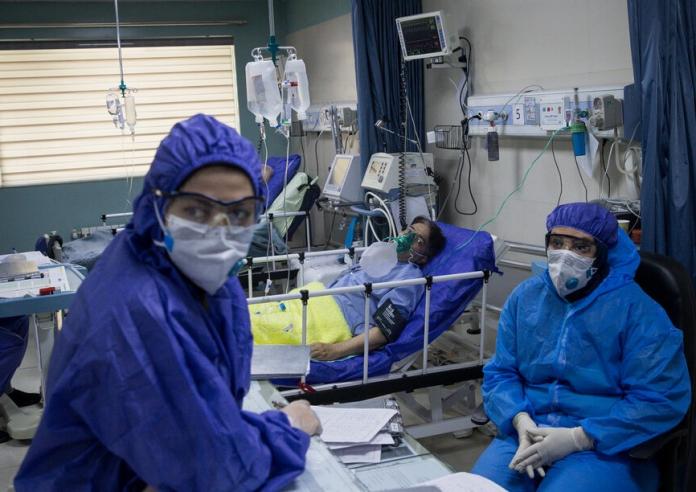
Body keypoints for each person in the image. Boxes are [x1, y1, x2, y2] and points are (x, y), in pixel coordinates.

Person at [15, 114, 321, 491]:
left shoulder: (206, 279)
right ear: (159, 204)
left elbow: (203, 421)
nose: (220, 231)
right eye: (197, 210)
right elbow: (213, 471)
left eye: (240, 212)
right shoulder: (133, 314)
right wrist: (289, 426)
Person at [471, 202, 691, 492]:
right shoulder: (525, 298)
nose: (565, 255)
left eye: (581, 247)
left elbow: (659, 398)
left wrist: (579, 438)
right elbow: (502, 372)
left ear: (602, 254)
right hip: (528, 434)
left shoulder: (638, 312)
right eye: (557, 243)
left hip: (606, 447)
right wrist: (519, 420)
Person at [250, 217, 445, 361]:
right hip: (313, 299)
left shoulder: (409, 278)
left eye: (418, 240)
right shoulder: (380, 255)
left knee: (257, 329)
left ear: (423, 258)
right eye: (409, 230)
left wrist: (336, 350)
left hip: (332, 319)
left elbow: (383, 332)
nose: (408, 237)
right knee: (249, 312)